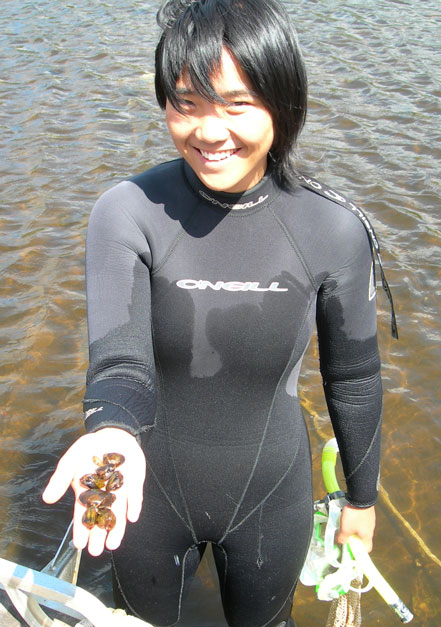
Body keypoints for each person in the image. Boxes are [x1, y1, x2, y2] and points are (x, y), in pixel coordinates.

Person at [43, 0, 386, 625]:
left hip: (270, 490)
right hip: (146, 494)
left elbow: (355, 379)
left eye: (237, 103)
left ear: (283, 102)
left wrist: (361, 501)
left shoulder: (334, 229)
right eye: (186, 102)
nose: (208, 130)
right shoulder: (126, 212)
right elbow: (119, 360)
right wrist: (112, 430)